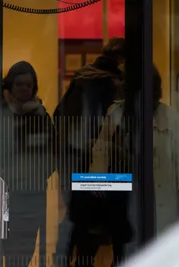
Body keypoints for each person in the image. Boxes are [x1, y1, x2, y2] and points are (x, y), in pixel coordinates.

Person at [91, 66, 179, 251]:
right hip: (125, 198)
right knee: (128, 249)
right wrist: (97, 184)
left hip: (161, 200)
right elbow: (101, 152)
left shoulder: (170, 118)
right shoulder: (115, 114)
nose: (121, 84)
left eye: (127, 81)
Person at [54, 39, 126, 266]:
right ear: (121, 59)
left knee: (80, 220)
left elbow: (59, 116)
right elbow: (115, 129)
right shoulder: (111, 84)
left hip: (73, 160)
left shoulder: (81, 78)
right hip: (100, 161)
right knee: (105, 222)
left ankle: (65, 260)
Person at [0, 61, 55, 267]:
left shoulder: (42, 117)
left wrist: (36, 174)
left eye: (28, 85)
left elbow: (53, 153)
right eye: (19, 84)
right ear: (10, 85)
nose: (23, 89)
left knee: (23, 252)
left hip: (31, 194)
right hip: (2, 192)